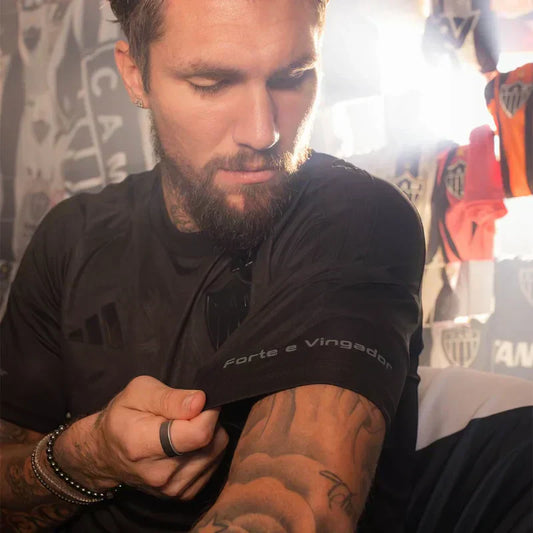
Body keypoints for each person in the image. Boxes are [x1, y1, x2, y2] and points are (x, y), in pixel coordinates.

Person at [0, 0, 424, 531]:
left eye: (292, 77)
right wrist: (89, 455)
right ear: (135, 74)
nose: (263, 133)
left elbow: (285, 511)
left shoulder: (356, 220)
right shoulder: (71, 236)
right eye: (212, 84)